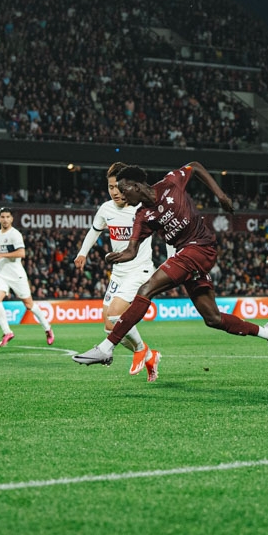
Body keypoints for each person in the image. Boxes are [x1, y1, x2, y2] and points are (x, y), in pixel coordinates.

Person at [72, 162, 268, 370]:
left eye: (124, 190)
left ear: (136, 186)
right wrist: (117, 257)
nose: (122, 195)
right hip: (187, 257)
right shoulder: (142, 216)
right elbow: (131, 250)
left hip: (201, 247)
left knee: (146, 289)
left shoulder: (170, 183)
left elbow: (195, 166)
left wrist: (221, 195)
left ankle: (106, 348)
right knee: (213, 318)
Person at [73, 162, 158, 380]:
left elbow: (166, 231)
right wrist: (82, 253)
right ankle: (148, 354)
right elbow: (94, 231)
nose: (115, 192)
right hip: (118, 272)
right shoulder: (106, 209)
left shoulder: (142, 207)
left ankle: (140, 350)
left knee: (115, 313)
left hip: (140, 269)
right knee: (110, 327)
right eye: (111, 187)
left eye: (118, 187)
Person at [0, 207, 55, 348]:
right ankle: (7, 332)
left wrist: (0, 256)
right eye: (3, 217)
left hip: (16, 274)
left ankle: (47, 328)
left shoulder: (15, 234)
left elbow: (21, 253)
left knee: (29, 305)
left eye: (8, 217)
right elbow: (2, 254)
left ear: (12, 219)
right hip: (2, 273)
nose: (5, 219)